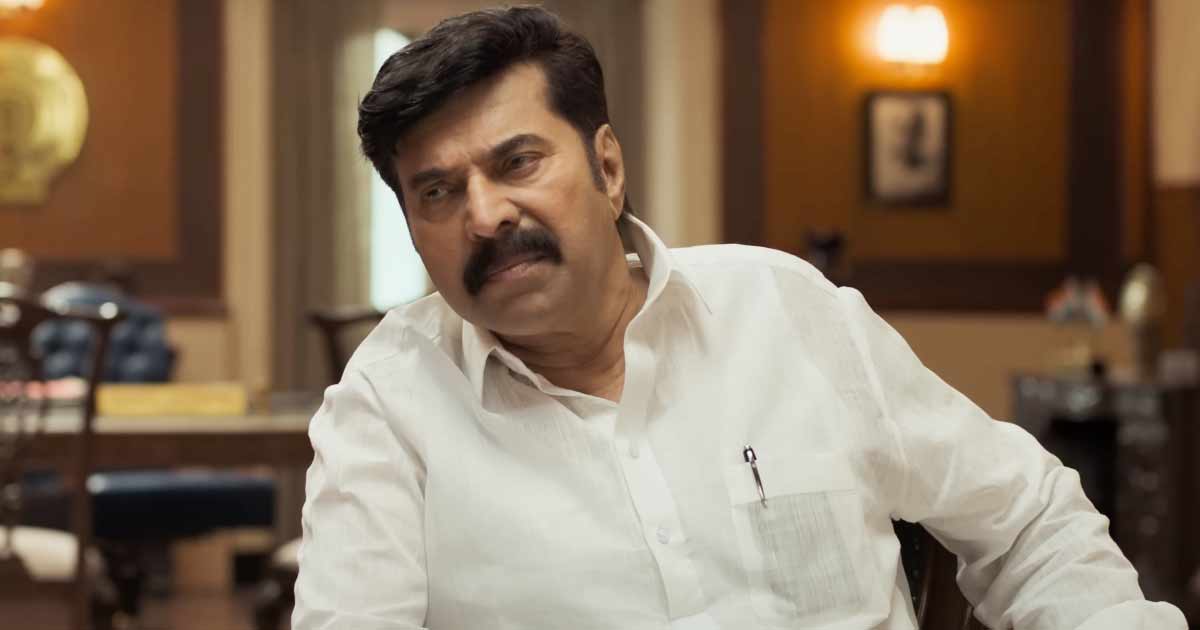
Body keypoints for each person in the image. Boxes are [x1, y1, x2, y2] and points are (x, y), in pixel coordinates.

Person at [293, 7, 1186, 630]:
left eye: (517, 162)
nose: (484, 215)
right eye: (438, 192)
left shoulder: (786, 312)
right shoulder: (391, 402)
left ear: (608, 169)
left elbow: (1025, 518)